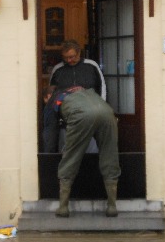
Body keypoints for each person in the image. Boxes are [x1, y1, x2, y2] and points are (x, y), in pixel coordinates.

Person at [43, 85, 120, 218]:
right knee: (110, 156)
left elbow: (50, 132)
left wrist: (47, 156)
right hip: (107, 112)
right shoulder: (79, 90)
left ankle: (63, 207)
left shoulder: (54, 100)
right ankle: (112, 206)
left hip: (81, 114)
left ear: (48, 96)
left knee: (70, 158)